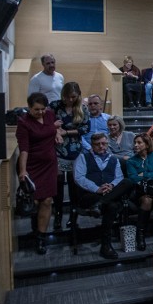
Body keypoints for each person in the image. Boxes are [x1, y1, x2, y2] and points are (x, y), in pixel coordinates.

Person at [74, 132, 136, 259]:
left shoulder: (113, 159)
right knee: (112, 205)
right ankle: (105, 245)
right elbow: (78, 178)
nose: (101, 147)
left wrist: (111, 186)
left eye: (104, 144)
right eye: (97, 145)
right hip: (90, 195)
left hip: (108, 193)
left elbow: (118, 177)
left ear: (107, 144)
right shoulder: (83, 157)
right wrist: (97, 189)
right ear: (92, 145)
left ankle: (105, 244)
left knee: (127, 182)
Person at [16, 92, 60, 255]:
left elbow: (52, 129)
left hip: (49, 165)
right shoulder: (23, 122)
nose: (41, 112)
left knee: (47, 200)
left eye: (43, 109)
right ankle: (35, 230)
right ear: (29, 108)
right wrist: (23, 170)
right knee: (35, 202)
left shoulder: (49, 114)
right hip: (32, 165)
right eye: (36, 109)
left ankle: (41, 238)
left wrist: (56, 133)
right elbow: (24, 149)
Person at [50, 81, 90, 231]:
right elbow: (46, 123)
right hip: (57, 148)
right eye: (67, 97)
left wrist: (66, 132)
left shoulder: (82, 108)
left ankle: (73, 216)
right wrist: (54, 130)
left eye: (73, 97)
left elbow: (85, 128)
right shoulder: (55, 106)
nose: (69, 100)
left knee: (74, 184)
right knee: (58, 182)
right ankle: (58, 214)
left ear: (78, 95)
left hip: (75, 148)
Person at [125, 133, 153, 250]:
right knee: (147, 200)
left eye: (139, 143)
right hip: (140, 192)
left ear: (147, 144)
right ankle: (140, 236)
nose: (135, 145)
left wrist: (144, 174)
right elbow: (133, 178)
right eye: (135, 143)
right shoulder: (131, 161)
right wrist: (151, 175)